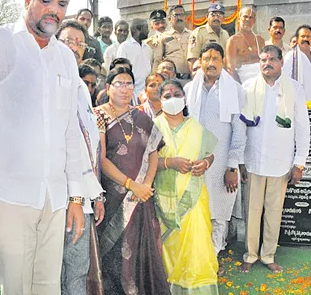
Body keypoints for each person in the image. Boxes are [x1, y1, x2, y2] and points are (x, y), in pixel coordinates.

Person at [0, 0, 85, 293]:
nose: (54, 10)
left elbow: (71, 129)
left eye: (62, 4)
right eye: (46, 0)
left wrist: (76, 197)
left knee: (47, 288)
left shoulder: (66, 60)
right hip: (7, 196)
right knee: (16, 289)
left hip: (54, 199)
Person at [94, 67, 169, 294]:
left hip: (141, 197)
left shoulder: (141, 117)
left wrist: (146, 184)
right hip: (113, 198)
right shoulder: (98, 115)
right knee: (115, 253)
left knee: (140, 250)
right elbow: (101, 158)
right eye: (119, 83)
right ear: (108, 88)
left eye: (129, 84)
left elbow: (153, 152)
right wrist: (131, 184)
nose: (125, 89)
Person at [239, 45, 310, 273]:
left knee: (273, 212)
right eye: (262, 59)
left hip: (280, 162)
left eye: (271, 59)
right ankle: (250, 254)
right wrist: (238, 159)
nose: (266, 63)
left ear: (281, 63)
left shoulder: (295, 89)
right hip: (253, 161)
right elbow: (239, 127)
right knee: (252, 212)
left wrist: (299, 163)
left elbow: (302, 128)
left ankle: (268, 255)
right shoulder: (248, 87)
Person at [153, 79, 219, 294]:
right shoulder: (153, 127)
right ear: (160, 101)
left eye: (176, 94)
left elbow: (210, 154)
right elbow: (144, 163)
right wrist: (169, 163)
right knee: (166, 250)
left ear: (184, 98)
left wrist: (205, 163)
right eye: (167, 96)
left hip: (194, 200)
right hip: (163, 202)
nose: (173, 99)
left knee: (197, 248)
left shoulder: (196, 127)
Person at [186, 42, 247, 272]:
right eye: (207, 58)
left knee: (219, 212)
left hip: (221, 160)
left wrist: (232, 166)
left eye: (216, 59)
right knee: (196, 210)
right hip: (195, 160)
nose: (211, 63)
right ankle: (197, 259)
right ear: (199, 61)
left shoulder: (235, 90)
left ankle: (212, 261)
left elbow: (239, 129)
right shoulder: (190, 89)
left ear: (223, 62)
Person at [56, 19, 106, 295]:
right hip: (54, 196)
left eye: (79, 43)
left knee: (77, 268)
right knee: (51, 270)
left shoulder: (81, 90)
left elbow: (90, 149)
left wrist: (95, 195)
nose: (74, 48)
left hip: (81, 197)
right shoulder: (47, 80)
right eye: (68, 41)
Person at [226, 6, 266, 84]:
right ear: (239, 19)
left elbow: (266, 62)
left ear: (254, 21)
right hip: (242, 82)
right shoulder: (233, 41)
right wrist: (239, 87)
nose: (248, 19)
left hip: (261, 82)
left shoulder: (259, 40)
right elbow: (230, 68)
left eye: (251, 17)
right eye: (245, 16)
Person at [283, 25, 311, 101]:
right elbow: (285, 79)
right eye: (303, 36)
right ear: (297, 39)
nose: (305, 39)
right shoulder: (290, 56)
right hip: (297, 101)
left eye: (308, 37)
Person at [187, 3, 231, 72]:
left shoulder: (225, 34)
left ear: (223, 18)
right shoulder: (199, 32)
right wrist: (195, 77)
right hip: (205, 74)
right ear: (207, 16)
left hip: (221, 74)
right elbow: (192, 58)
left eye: (220, 15)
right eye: (213, 15)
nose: (216, 18)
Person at [153, 5, 192, 79]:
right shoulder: (163, 36)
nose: (179, 18)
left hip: (190, 78)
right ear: (170, 18)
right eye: (176, 15)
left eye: (181, 15)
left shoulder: (193, 35)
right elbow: (157, 60)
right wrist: (155, 78)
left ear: (185, 17)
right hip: (171, 78)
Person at [116, 18, 152, 95]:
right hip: (131, 92)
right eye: (146, 28)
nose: (148, 31)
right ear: (139, 28)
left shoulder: (148, 48)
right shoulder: (124, 47)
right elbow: (120, 70)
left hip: (147, 91)